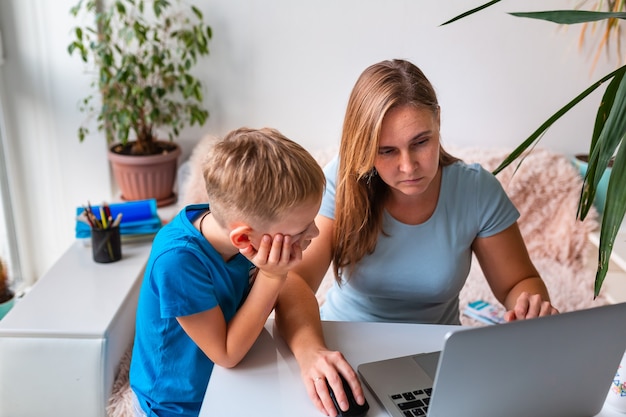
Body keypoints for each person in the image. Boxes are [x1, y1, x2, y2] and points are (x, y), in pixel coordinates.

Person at [272, 59, 560, 417]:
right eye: (386, 150)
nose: (408, 167)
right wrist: (311, 353)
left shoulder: (475, 189)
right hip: (343, 349)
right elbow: (295, 280)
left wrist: (529, 305)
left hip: (436, 359)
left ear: (438, 120)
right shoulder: (342, 182)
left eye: (420, 142)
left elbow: (519, 282)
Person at [129, 127, 326, 417]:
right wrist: (271, 276)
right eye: (300, 230)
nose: (316, 232)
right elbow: (226, 354)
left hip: (231, 383)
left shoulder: (243, 233)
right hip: (176, 405)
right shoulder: (178, 261)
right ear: (243, 239)